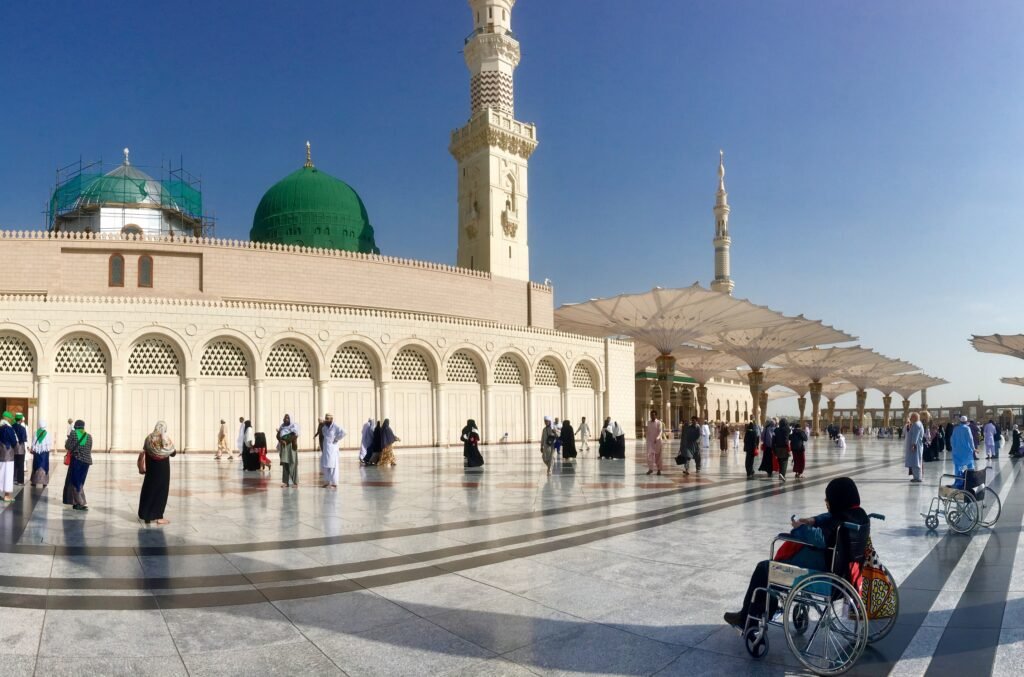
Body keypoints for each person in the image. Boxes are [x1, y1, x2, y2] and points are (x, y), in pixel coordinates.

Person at [723, 477, 868, 630]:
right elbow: (831, 517)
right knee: (771, 570)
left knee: (764, 569)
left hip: (825, 577)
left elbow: (819, 537)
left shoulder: (840, 522)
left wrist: (799, 527)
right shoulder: (858, 515)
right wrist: (813, 520)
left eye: (829, 498)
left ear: (838, 498)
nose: (827, 501)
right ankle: (765, 605)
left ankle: (748, 618)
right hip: (844, 576)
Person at [138, 421, 176, 525]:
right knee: (161, 492)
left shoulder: (149, 438)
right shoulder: (165, 439)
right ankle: (159, 516)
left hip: (151, 470)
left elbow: (145, 450)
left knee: (148, 491)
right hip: (163, 471)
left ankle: (146, 516)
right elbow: (173, 453)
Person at [63, 420, 92, 511]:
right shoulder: (89, 436)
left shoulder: (74, 434)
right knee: (81, 481)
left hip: (77, 460)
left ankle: (80, 503)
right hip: (87, 462)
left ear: (76, 426)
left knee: (75, 481)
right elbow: (89, 449)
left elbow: (67, 446)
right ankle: (78, 501)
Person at [319, 413, 345, 488]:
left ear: (331, 419)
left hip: (333, 450)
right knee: (326, 466)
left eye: (328, 419)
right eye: (326, 419)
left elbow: (344, 432)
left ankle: (334, 483)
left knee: (333, 467)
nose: (326, 420)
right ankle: (327, 482)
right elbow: (324, 436)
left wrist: (336, 439)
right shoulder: (324, 428)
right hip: (326, 449)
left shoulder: (336, 426)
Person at [277, 414, 300, 488]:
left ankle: (295, 482)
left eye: (287, 418)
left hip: (291, 446)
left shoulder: (294, 426)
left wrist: (286, 441)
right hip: (283, 446)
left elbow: (295, 435)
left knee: (292, 463)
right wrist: (281, 440)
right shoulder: (282, 426)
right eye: (285, 418)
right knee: (285, 464)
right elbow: (278, 435)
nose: (285, 419)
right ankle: (285, 482)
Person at [0, 413, 17, 502]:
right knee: (8, 474)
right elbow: (14, 441)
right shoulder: (8, 428)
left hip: (1, 453)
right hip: (8, 454)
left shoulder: (0, 427)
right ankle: (7, 496)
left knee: (1, 473)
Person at [30, 420, 52, 487]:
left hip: (37, 452)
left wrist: (33, 448)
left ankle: (34, 482)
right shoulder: (47, 433)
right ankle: (44, 482)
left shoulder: (35, 432)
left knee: (36, 465)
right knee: (44, 465)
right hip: (44, 452)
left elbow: (33, 442)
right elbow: (49, 443)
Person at [905, 412, 925, 483]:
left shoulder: (916, 424)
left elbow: (915, 435)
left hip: (916, 446)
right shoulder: (917, 424)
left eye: (912, 417)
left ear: (915, 417)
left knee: (916, 462)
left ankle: (918, 477)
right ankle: (916, 477)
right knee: (915, 461)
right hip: (917, 446)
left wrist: (913, 445)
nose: (911, 419)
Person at [772, 417, 792, 482]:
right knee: (784, 462)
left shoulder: (776, 430)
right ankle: (782, 474)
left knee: (780, 461)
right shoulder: (787, 429)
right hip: (784, 448)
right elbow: (786, 440)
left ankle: (780, 474)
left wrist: (773, 449)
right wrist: (788, 449)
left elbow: (773, 440)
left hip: (777, 448)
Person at [645, 410, 664, 476]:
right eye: (651, 415)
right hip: (650, 442)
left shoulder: (659, 422)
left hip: (657, 442)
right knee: (649, 455)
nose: (652, 416)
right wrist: (647, 439)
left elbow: (660, 431)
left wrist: (657, 438)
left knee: (658, 456)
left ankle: (659, 470)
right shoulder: (649, 422)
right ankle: (650, 469)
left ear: (656, 415)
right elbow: (648, 431)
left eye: (653, 415)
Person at [12, 413, 27, 486]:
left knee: (13, 464)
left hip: (12, 448)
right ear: (21, 420)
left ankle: (13, 479)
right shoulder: (22, 428)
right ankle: (20, 481)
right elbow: (24, 439)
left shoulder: (11, 427)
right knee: (20, 465)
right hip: (20, 448)